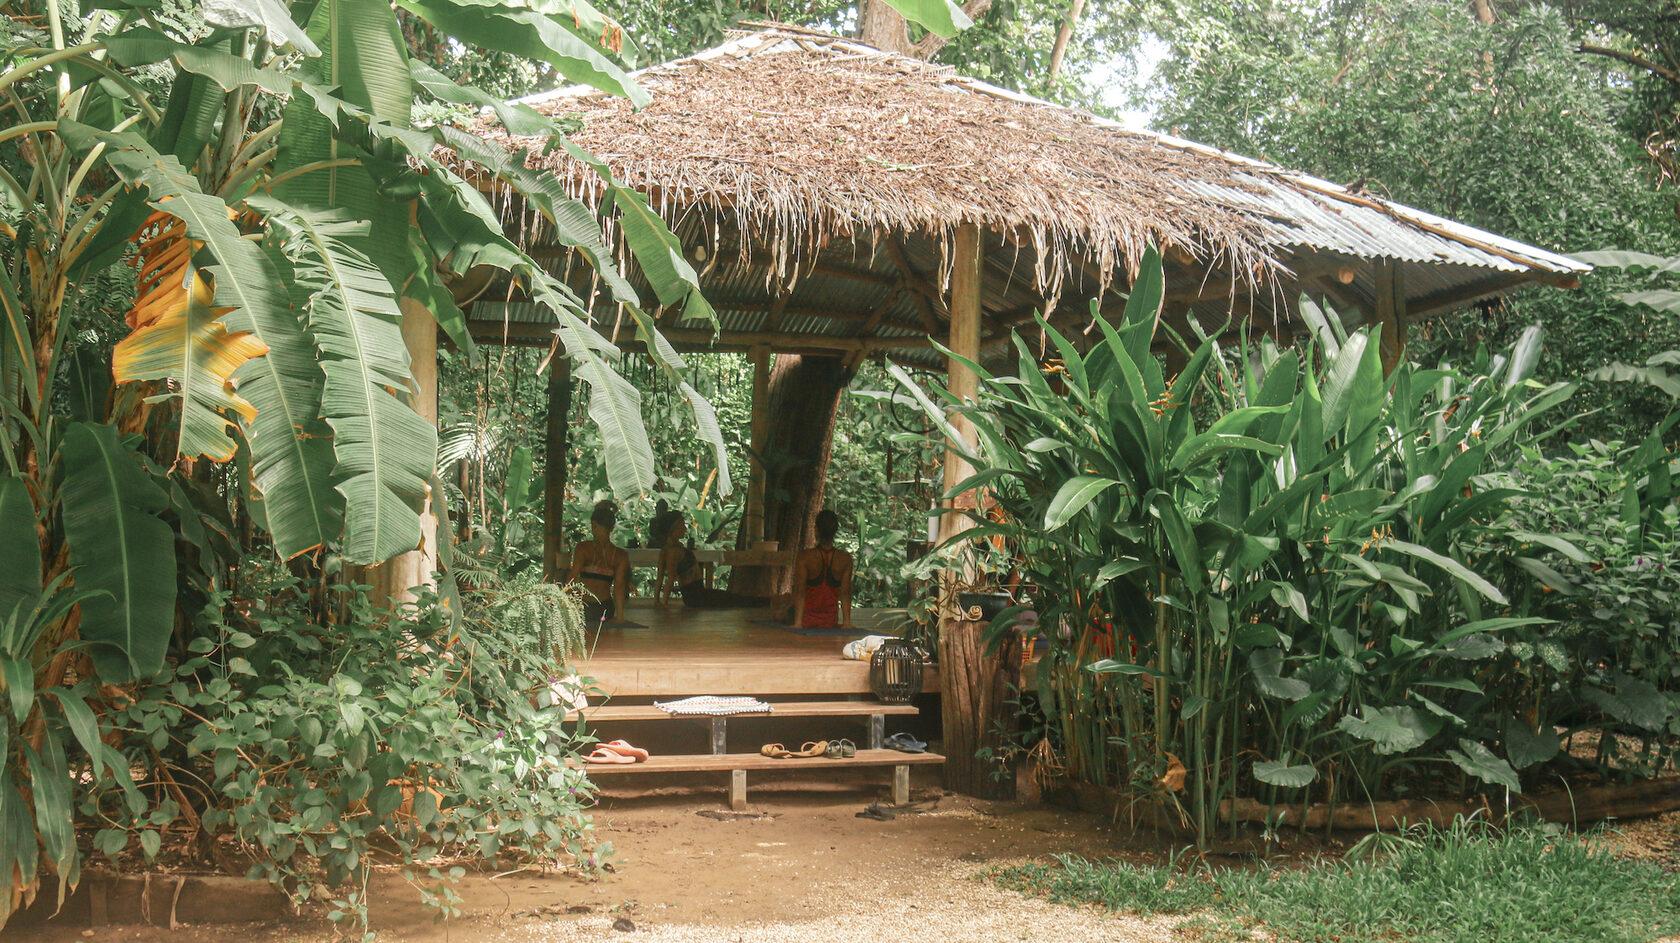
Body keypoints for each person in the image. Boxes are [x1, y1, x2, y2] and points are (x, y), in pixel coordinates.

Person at [657, 516, 771, 609]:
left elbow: (660, 576)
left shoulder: (669, 549)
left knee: (733, 599)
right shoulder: (673, 552)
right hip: (696, 597)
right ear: (673, 529)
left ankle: (767, 602)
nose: (685, 529)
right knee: (734, 600)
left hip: (698, 594)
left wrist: (657, 600)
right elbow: (670, 578)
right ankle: (768, 602)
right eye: (682, 526)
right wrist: (664, 604)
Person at [567, 500, 629, 626]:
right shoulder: (619, 555)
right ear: (612, 528)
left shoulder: (583, 548)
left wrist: (620, 618)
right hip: (596, 608)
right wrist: (620, 616)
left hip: (593, 609)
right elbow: (619, 587)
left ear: (594, 525)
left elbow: (572, 578)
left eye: (594, 526)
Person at [792, 509, 853, 629]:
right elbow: (845, 593)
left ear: (816, 530)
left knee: (780, 605)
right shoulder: (845, 559)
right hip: (830, 621)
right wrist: (847, 623)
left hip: (806, 620)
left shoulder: (805, 557)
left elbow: (800, 591)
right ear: (835, 531)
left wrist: (798, 623)